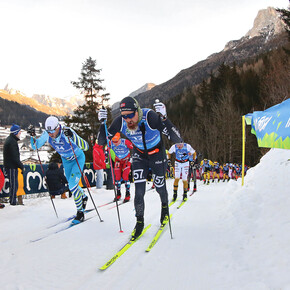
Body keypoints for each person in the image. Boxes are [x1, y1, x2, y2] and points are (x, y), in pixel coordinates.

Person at [97, 97, 182, 239]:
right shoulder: (120, 122)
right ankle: (139, 222)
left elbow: (178, 139)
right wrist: (102, 124)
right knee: (139, 191)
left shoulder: (150, 117)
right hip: (139, 155)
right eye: (124, 116)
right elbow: (101, 141)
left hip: (157, 154)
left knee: (160, 187)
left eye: (130, 115)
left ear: (137, 111)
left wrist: (165, 118)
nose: (128, 120)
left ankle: (164, 209)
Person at [28, 116, 89, 223]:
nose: (50, 133)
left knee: (72, 185)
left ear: (58, 127)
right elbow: (35, 146)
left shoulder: (66, 132)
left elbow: (86, 147)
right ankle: (83, 196)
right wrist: (32, 136)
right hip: (66, 160)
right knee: (72, 186)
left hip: (77, 158)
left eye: (52, 130)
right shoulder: (47, 134)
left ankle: (80, 212)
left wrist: (73, 137)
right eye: (48, 131)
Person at [3, 124, 24, 206]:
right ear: (16, 133)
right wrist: (21, 166)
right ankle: (13, 201)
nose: (20, 134)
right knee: (14, 184)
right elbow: (14, 157)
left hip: (9, 165)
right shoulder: (12, 142)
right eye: (19, 132)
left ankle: (13, 200)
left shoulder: (10, 140)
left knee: (13, 184)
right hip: (11, 166)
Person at [110, 132, 133, 202]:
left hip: (126, 160)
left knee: (125, 176)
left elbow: (134, 148)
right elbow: (106, 148)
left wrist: (132, 158)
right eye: (114, 141)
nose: (115, 143)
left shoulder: (125, 142)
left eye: (116, 141)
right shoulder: (111, 143)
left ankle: (128, 193)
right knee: (117, 177)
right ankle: (118, 193)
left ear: (120, 139)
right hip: (118, 160)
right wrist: (106, 158)